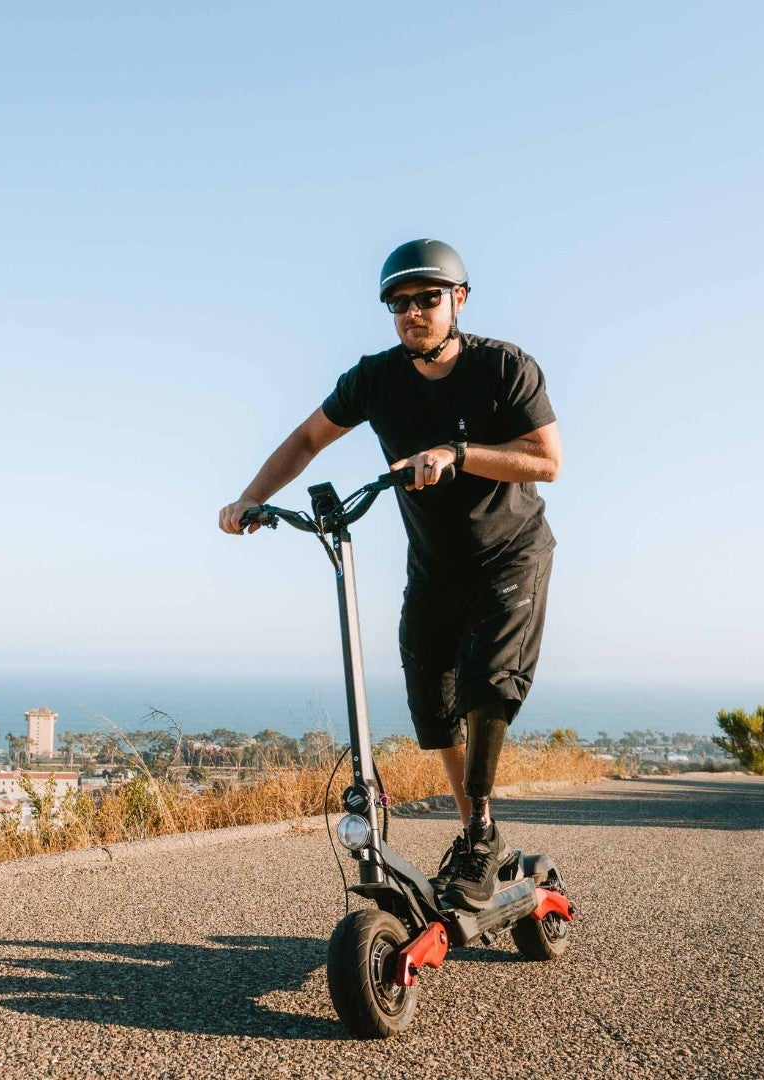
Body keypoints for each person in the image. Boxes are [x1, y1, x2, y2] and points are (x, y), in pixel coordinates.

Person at [218, 239, 563, 910]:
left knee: (487, 684)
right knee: (432, 709)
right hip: (435, 564)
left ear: (458, 300)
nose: (412, 312)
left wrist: (458, 453)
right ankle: (474, 829)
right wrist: (250, 498)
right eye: (398, 304)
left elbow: (546, 461)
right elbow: (307, 440)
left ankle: (483, 835)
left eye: (427, 299)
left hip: (511, 553)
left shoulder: (504, 368)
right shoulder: (375, 380)